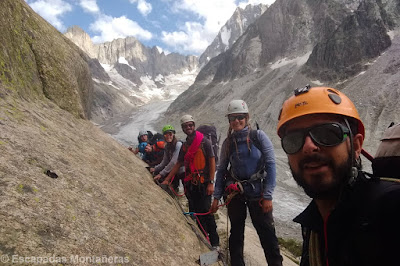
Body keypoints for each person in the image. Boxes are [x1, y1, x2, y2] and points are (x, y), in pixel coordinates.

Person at [277, 85, 400, 266]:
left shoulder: (392, 207)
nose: (308, 146)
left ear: (356, 146)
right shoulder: (313, 225)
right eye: (294, 139)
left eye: (327, 133)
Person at [209, 100, 283, 266]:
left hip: (259, 194)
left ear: (246, 117)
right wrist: (216, 197)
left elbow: (271, 164)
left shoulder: (258, 136)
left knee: (267, 235)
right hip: (236, 193)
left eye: (240, 117)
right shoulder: (228, 143)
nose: (236, 121)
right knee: (236, 233)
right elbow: (221, 171)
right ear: (229, 121)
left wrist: (269, 195)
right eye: (233, 118)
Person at [163, 115, 220, 247]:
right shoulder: (185, 145)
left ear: (193, 125)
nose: (188, 127)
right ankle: (203, 236)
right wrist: (167, 179)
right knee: (196, 210)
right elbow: (178, 163)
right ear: (183, 128)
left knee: (206, 211)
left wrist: (211, 182)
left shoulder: (204, 141)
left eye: (190, 125)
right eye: (186, 126)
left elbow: (212, 161)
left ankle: (215, 242)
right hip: (192, 184)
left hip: (204, 182)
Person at [151, 125, 185, 192]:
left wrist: (161, 174)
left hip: (183, 171)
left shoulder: (178, 145)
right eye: (166, 134)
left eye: (170, 134)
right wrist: (155, 168)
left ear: (173, 134)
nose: (168, 136)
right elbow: (165, 161)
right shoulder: (167, 147)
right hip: (175, 172)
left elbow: (173, 162)